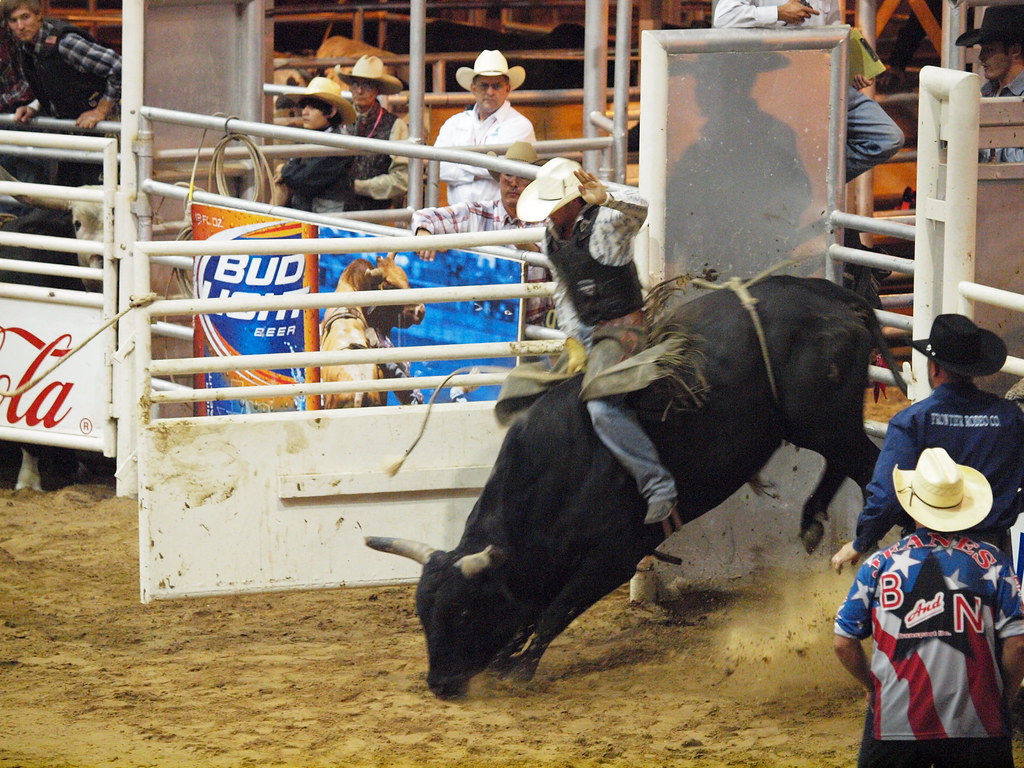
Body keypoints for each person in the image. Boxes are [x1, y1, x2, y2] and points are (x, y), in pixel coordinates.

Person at [834, 446, 1024, 768]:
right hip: (978, 723)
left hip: (894, 724)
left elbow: (842, 642)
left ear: (912, 508)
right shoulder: (993, 563)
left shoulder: (878, 565)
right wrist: (1003, 697)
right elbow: (1018, 643)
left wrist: (871, 688)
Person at [514, 158, 678, 526]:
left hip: (625, 328)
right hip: (589, 330)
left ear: (573, 203)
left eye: (555, 209)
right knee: (531, 395)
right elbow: (563, 289)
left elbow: (641, 210)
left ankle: (658, 486)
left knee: (603, 406)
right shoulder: (552, 238)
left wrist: (611, 198)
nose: (550, 217)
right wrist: (573, 338)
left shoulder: (605, 221)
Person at [832, 313, 1024, 574]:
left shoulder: (913, 422)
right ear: (975, 369)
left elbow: (887, 494)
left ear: (934, 368)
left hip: (926, 555)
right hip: (991, 557)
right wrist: (1007, 508)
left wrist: (862, 541)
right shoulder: (1010, 418)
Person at [713, 0, 905, 182]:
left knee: (888, 137)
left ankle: (807, 182)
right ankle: (796, 184)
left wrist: (853, 70)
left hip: (823, 79)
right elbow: (723, 18)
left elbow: (834, 31)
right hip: (775, 82)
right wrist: (778, 13)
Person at [411, 140, 553, 328]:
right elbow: (422, 216)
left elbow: (552, 260)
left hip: (533, 324)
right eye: (508, 174)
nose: (514, 183)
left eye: (522, 176)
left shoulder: (548, 220)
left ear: (534, 183)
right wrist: (424, 234)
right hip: (484, 320)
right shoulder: (478, 211)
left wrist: (521, 243)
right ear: (500, 178)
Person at [3, 0, 120, 185]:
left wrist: (101, 110)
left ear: (38, 15)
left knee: (102, 194)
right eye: (14, 20)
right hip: (74, 130)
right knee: (72, 194)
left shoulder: (66, 43)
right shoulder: (29, 47)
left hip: (103, 131)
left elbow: (119, 67)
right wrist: (35, 106)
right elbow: (56, 80)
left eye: (25, 17)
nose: (20, 26)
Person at [434, 49, 536, 205]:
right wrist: (485, 169)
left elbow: (503, 169)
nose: (490, 92)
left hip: (500, 217)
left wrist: (457, 162)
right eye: (484, 86)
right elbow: (439, 168)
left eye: (496, 86)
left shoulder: (520, 125)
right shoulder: (454, 122)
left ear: (507, 89)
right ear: (473, 88)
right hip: (459, 215)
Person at [333, 55, 409, 211]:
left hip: (376, 212)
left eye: (367, 85)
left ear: (377, 89)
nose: (360, 90)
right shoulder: (336, 119)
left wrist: (358, 187)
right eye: (355, 84)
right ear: (349, 87)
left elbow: (401, 179)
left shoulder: (395, 125)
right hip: (335, 207)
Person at [275, 77, 357, 214]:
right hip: (309, 211)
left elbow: (308, 178)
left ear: (331, 112)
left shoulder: (340, 143)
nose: (305, 112)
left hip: (327, 221)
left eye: (313, 107)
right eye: (304, 106)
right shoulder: (308, 137)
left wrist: (284, 171)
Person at [955, 3, 1024, 163]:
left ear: (1014, 50)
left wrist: (985, 146)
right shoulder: (987, 90)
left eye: (989, 50)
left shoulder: (987, 91)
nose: (981, 58)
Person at [0, 23, 46, 202]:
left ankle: (24, 223)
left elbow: (31, 79)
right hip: (13, 114)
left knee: (27, 183)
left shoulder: (12, 34)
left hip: (23, 116)